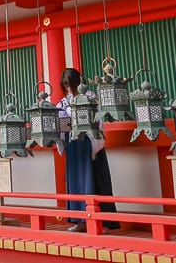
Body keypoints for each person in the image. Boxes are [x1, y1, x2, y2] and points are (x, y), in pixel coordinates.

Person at [58, 67, 120, 232]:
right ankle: (79, 220)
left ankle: (103, 222)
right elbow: (61, 121)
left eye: (71, 84)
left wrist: (94, 142)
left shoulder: (92, 97)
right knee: (76, 182)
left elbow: (98, 121)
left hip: (89, 142)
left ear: (79, 82)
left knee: (95, 181)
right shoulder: (64, 102)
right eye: (66, 85)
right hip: (73, 144)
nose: (69, 88)